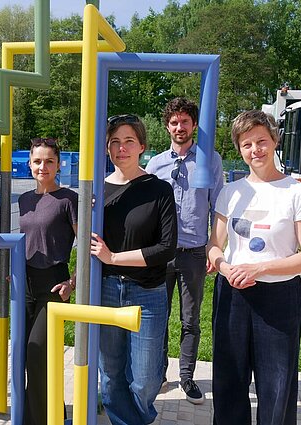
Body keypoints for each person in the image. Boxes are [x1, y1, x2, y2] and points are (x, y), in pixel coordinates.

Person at [206, 110, 301, 424]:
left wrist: (258, 269)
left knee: (276, 384)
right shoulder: (230, 192)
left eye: (261, 141)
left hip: (278, 296)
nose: (255, 150)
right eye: (247, 144)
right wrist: (225, 268)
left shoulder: (298, 192)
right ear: (239, 149)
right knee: (228, 380)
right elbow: (214, 245)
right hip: (232, 294)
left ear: (274, 141)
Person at [91, 114, 177, 425]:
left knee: (145, 379)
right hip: (106, 289)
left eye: (129, 141)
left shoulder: (159, 189)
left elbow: (166, 249)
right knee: (111, 372)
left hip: (147, 292)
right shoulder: (97, 191)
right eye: (114, 142)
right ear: (107, 148)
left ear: (142, 146)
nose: (121, 148)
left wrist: (113, 257)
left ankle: (138, 415)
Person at [145, 97, 223, 404]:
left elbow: (218, 208)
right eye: (174, 122)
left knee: (190, 319)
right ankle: (158, 373)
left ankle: (187, 377)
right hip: (160, 253)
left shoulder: (210, 160)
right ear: (167, 127)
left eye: (185, 122)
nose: (180, 127)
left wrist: (214, 247)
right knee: (158, 317)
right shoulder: (155, 164)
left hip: (194, 253)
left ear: (194, 125)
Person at [18, 137, 78, 425]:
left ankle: (41, 420)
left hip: (54, 283)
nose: (43, 166)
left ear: (58, 165)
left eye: (49, 161)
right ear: (30, 164)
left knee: (38, 351)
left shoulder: (68, 199)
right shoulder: (24, 200)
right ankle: (51, 414)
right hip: (24, 283)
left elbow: (87, 244)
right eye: (37, 161)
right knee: (26, 354)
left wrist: (73, 281)